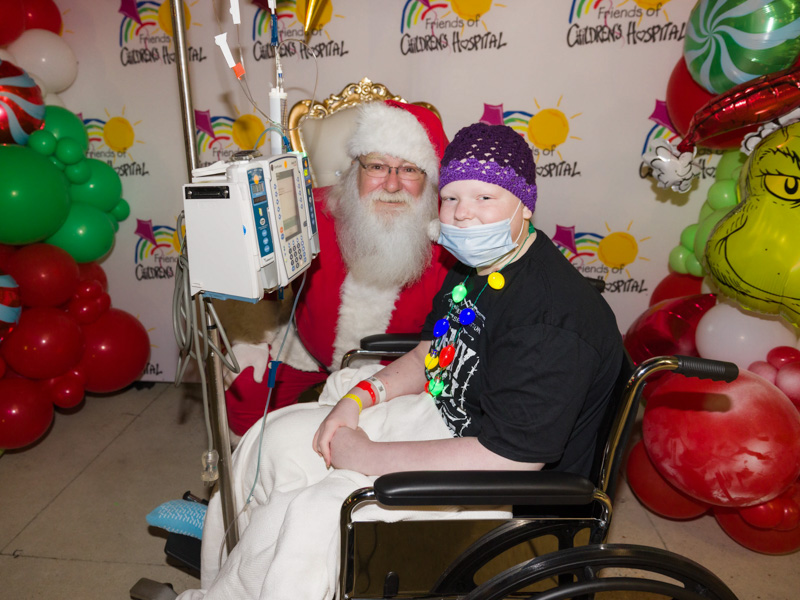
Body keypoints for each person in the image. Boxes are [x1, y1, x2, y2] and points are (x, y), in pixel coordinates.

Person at [180, 122, 623, 600]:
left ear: (524, 204)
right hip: (444, 417)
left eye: (485, 198)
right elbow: (433, 351)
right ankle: (231, 571)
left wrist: (367, 457)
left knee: (314, 513)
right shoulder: (478, 266)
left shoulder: (551, 320)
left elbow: (509, 457)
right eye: (452, 198)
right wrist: (357, 399)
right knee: (273, 443)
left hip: (502, 479)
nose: (464, 215)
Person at [222, 100, 454, 436]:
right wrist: (249, 337)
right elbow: (260, 274)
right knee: (247, 389)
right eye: (377, 166)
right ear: (356, 168)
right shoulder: (311, 210)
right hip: (309, 352)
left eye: (408, 169)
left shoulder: (449, 236)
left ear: (428, 178)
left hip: (402, 369)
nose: (391, 185)